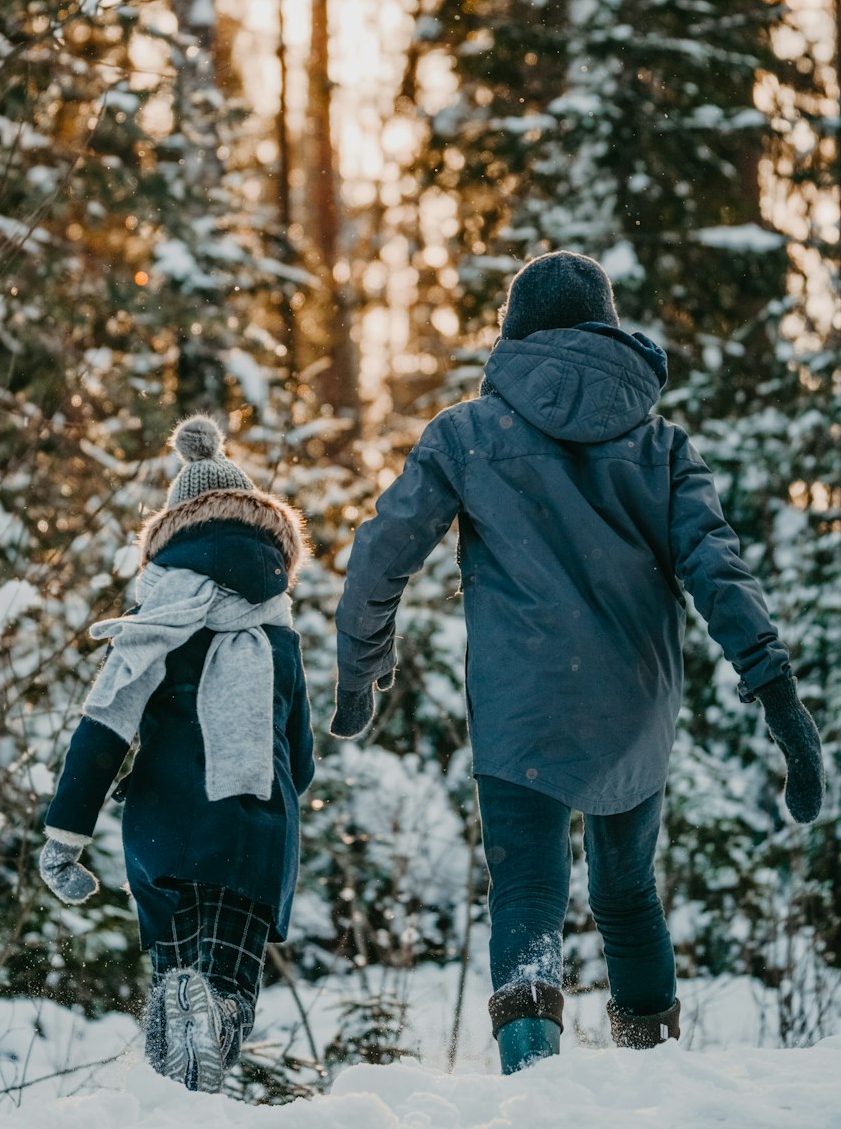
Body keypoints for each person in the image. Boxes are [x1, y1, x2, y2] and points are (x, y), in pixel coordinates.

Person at [331, 251, 824, 1074]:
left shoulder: (465, 435)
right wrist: (778, 696)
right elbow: (717, 570)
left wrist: (361, 666)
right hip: (634, 708)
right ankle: (652, 1080)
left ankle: (537, 1092)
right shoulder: (663, 446)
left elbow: (381, 554)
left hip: (522, 706)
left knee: (526, 899)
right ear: (604, 328)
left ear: (514, 334)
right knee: (628, 899)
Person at [39, 416, 314, 1093]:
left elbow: (103, 728)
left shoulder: (155, 623)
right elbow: (301, 761)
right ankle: (214, 1006)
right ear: (265, 532)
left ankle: (176, 1047)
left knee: (173, 974)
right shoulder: (277, 632)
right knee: (227, 979)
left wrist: (64, 837)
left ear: (170, 535)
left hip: (161, 827)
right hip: (249, 827)